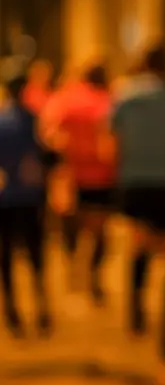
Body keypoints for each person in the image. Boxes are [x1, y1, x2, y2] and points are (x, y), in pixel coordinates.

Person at [109, 44, 165, 372]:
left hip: (133, 179)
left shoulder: (125, 94)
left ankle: (135, 306)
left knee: (139, 242)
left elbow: (110, 134)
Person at [39, 63, 114, 307]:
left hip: (71, 174)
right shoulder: (108, 100)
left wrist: (65, 149)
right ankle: (93, 276)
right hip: (101, 174)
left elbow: (48, 133)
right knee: (99, 230)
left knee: (71, 227)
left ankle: (73, 270)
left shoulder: (64, 99)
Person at [0, 75, 49, 337]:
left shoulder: (3, 119)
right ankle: (40, 304)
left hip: (7, 196)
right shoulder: (31, 119)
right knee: (34, 254)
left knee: (6, 255)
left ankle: (11, 309)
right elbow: (42, 152)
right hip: (28, 196)